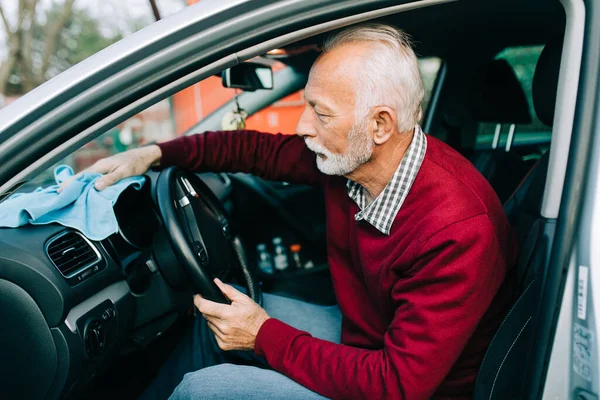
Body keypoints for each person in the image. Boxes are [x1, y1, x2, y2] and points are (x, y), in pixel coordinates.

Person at [87, 23, 518, 400]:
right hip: (363, 336)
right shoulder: (355, 155)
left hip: (401, 384)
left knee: (204, 391)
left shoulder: (456, 229)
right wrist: (156, 154)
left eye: (321, 113)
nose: (303, 126)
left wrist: (262, 336)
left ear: (380, 125)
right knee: (217, 313)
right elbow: (257, 150)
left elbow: (397, 386)